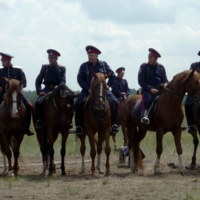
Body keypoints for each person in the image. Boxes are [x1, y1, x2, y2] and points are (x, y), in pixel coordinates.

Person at [75, 45, 119, 135]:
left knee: (115, 102)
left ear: (96, 55)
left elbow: (113, 76)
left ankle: (114, 124)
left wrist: (108, 85)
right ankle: (79, 126)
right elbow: (80, 79)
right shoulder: (84, 66)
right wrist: (88, 89)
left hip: (102, 90)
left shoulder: (103, 64)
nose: (90, 57)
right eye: (89, 55)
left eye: (92, 55)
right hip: (88, 90)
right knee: (78, 103)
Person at [0, 52, 34, 136]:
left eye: (4, 61)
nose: (2, 62)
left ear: (9, 60)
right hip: (3, 94)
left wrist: (19, 87)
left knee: (29, 105)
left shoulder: (18, 69)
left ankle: (27, 127)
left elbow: (24, 82)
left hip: (16, 94)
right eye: (2, 60)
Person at [35, 49, 68, 129]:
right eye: (49, 57)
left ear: (56, 58)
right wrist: (39, 91)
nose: (50, 59)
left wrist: (60, 87)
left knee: (68, 102)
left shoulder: (61, 69)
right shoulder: (44, 68)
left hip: (58, 90)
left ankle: (67, 121)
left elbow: (63, 80)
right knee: (38, 102)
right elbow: (38, 80)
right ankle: (39, 120)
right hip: (46, 89)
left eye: (52, 58)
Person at [138, 48, 169, 125]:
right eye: (149, 58)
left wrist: (165, 84)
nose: (149, 59)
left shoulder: (161, 67)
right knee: (147, 100)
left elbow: (166, 79)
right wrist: (150, 89)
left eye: (151, 58)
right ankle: (144, 117)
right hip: (148, 90)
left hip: (161, 89)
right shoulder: (144, 66)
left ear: (156, 58)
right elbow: (141, 81)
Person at [184, 51, 200, 134]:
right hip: (194, 91)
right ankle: (191, 125)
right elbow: (189, 75)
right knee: (187, 104)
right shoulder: (194, 65)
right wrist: (196, 72)